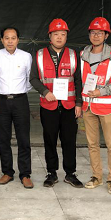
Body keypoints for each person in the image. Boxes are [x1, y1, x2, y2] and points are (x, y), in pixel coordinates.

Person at [30, 18, 83, 188]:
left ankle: (70, 173)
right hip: (49, 106)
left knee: (69, 141)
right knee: (50, 140)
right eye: (56, 34)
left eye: (63, 34)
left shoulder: (73, 55)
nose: (59, 37)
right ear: (50, 36)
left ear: (66, 36)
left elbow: (78, 80)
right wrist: (45, 92)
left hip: (69, 106)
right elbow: (33, 78)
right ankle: (51, 173)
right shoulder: (39, 55)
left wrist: (79, 103)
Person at [80, 17, 111, 195]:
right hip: (88, 108)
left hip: (107, 108)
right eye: (93, 32)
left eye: (100, 33)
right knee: (92, 144)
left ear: (106, 35)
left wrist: (103, 91)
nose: (96, 36)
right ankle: (96, 176)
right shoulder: (82, 55)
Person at [0, 27, 33, 189]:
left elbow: (30, 79)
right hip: (1, 101)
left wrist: (19, 92)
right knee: (3, 139)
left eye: (13, 38)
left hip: (20, 101)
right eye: (6, 38)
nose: (10, 41)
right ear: (2, 40)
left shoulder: (26, 56)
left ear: (18, 40)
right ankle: (7, 172)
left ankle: (25, 174)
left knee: (23, 139)